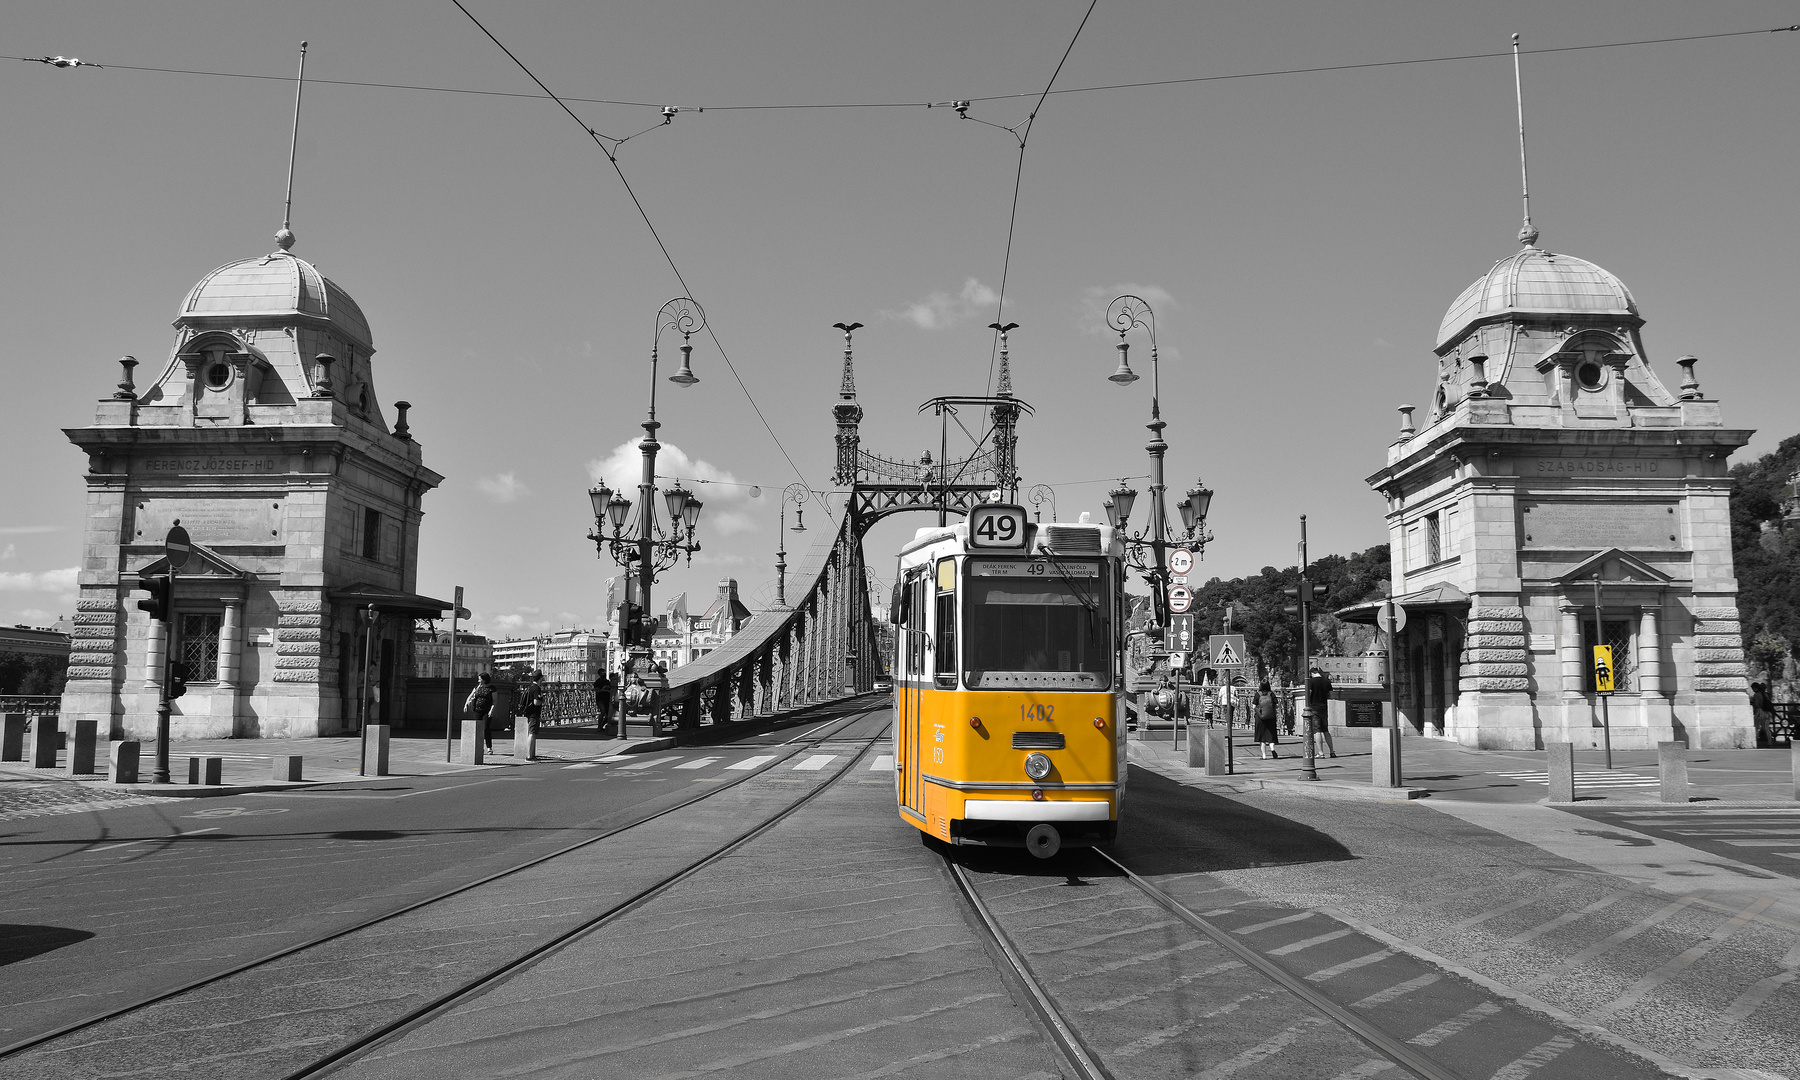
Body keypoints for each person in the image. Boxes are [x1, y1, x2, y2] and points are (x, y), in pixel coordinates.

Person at [1306, 665, 1336, 759]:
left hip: (1314, 708)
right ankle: (1332, 751)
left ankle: (1321, 753)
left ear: (1311, 673)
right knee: (1326, 730)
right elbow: (1331, 695)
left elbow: (1309, 693)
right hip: (1324, 707)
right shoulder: (1327, 681)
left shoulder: (1311, 682)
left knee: (1317, 731)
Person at [465, 672, 495, 752]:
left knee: (486, 728)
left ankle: (489, 747)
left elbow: (495, 701)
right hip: (477, 710)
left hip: (487, 710)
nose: (478, 680)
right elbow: (471, 695)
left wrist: (492, 710)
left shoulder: (491, 688)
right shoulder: (477, 687)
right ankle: (479, 747)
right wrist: (466, 704)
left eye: (480, 679)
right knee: (478, 729)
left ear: (484, 679)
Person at [515, 669, 545, 740]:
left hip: (528, 712)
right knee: (532, 734)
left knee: (531, 733)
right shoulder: (536, 688)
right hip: (534, 714)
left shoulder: (531, 687)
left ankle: (531, 751)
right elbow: (536, 702)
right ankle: (529, 750)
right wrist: (542, 700)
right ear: (540, 679)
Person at [1253, 680, 1280, 759]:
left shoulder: (1258, 694)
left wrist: (1259, 712)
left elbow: (1254, 706)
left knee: (1262, 737)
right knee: (1271, 735)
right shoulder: (1271, 694)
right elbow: (1277, 705)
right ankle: (1272, 749)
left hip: (1260, 718)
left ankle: (1264, 755)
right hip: (1271, 717)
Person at [1750, 681, 1775, 748]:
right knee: (1766, 728)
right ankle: (1770, 743)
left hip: (1759, 712)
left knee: (1756, 727)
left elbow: (1756, 704)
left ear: (1755, 688)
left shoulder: (1756, 695)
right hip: (1767, 713)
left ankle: (1754, 742)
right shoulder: (1765, 694)